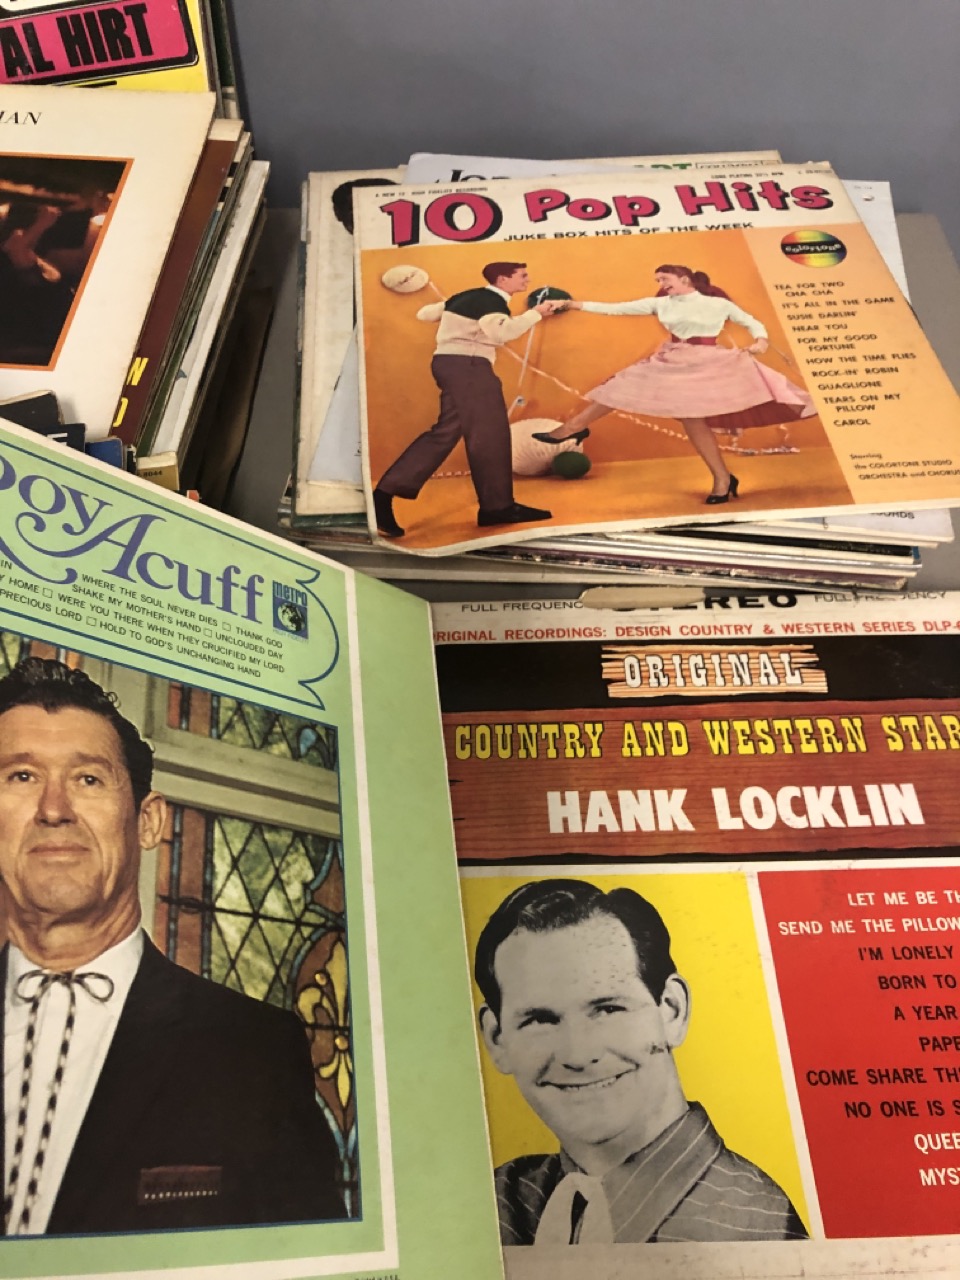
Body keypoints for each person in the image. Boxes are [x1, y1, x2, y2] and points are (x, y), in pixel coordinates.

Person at [0, 657, 345, 1237]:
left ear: (148, 821)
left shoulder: (254, 1051)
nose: (53, 809)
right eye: (21, 776)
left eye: (88, 779)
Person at [474, 878, 807, 1246]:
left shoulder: (760, 1227)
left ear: (672, 1011)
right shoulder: (499, 1202)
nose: (578, 1055)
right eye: (539, 1020)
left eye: (608, 1009)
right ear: (497, 1038)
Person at [532, 264, 815, 503]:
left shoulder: (718, 304)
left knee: (693, 420)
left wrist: (760, 342)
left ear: (684, 279)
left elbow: (752, 322)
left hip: (708, 362)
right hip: (673, 358)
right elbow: (615, 309)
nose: (660, 284)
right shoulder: (660, 304)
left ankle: (722, 479)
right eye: (657, 280)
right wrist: (571, 304)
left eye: (664, 279)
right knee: (623, 386)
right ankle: (573, 427)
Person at [372, 261, 562, 537]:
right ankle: (497, 507)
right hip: (470, 367)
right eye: (522, 276)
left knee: (447, 432)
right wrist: (536, 313)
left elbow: (425, 314)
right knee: (490, 435)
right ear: (502, 279)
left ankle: (385, 494)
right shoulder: (491, 301)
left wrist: (455, 312)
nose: (527, 280)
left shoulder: (467, 296)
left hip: (449, 364)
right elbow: (502, 333)